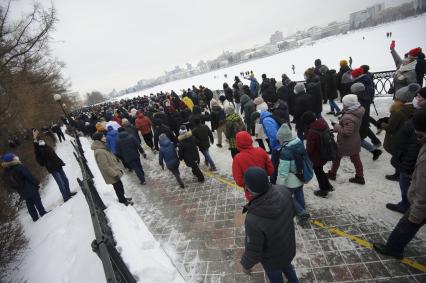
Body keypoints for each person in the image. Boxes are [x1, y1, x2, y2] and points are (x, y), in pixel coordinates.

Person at [373, 109, 426, 259]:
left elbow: (423, 190)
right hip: (416, 192)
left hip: (421, 203)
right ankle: (404, 204)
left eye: (419, 133)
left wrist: (416, 213)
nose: (416, 134)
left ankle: (393, 248)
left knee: (406, 225)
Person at [240, 167, 299, 283]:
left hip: (272, 260)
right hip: (288, 247)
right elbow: (293, 212)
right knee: (288, 267)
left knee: (276, 278)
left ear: (248, 189)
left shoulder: (253, 219)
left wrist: (246, 265)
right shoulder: (283, 191)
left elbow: (253, 249)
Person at [379, 83, 419, 181]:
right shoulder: (413, 109)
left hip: (396, 137)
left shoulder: (399, 111)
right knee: (403, 155)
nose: (394, 99)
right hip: (407, 137)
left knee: (397, 156)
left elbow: (391, 128)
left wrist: (381, 124)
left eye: (396, 97)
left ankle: (398, 174)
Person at [327, 94, 365, 184]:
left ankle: (332, 173)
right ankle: (360, 176)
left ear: (348, 105)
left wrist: (336, 127)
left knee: (337, 157)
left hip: (346, 142)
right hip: (355, 140)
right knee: (356, 159)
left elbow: (347, 132)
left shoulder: (349, 117)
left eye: (344, 103)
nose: (342, 105)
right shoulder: (357, 111)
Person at [276, 124, 310, 221]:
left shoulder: (285, 152)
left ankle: (301, 212)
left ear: (282, 138)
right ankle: (303, 210)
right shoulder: (298, 142)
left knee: (288, 197)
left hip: (291, 180)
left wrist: (279, 185)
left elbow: (283, 172)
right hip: (301, 176)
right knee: (299, 193)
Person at [1, 153, 47, 222]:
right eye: (14, 157)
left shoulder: (6, 171)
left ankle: (35, 218)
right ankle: (43, 213)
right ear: (12, 159)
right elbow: (29, 176)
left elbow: (9, 183)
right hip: (30, 187)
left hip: (21, 191)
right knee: (37, 200)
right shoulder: (19, 166)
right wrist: (37, 183)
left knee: (29, 203)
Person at [32, 129, 76, 202]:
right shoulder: (39, 151)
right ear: (37, 143)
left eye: (42, 140)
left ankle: (68, 193)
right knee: (61, 183)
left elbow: (54, 155)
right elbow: (37, 152)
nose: (41, 141)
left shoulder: (47, 146)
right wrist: (34, 139)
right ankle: (66, 197)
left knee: (65, 180)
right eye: (39, 141)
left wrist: (60, 161)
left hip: (58, 165)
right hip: (52, 168)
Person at [91, 132, 132, 205]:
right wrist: (114, 174)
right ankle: (122, 201)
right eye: (103, 137)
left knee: (119, 186)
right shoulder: (99, 151)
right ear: (98, 140)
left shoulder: (102, 147)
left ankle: (122, 198)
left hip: (114, 170)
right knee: (118, 187)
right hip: (112, 174)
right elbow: (105, 166)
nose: (105, 137)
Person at [232, 131, 274, 201]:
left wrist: (249, 184)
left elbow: (239, 181)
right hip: (266, 187)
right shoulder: (261, 151)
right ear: (250, 139)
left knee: (256, 209)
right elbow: (271, 170)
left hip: (251, 193)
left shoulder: (237, 158)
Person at [303, 111, 335, 198]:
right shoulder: (322, 123)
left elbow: (310, 149)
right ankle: (327, 185)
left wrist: (305, 154)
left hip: (317, 156)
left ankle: (323, 190)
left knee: (318, 171)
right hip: (325, 151)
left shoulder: (312, 132)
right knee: (320, 170)